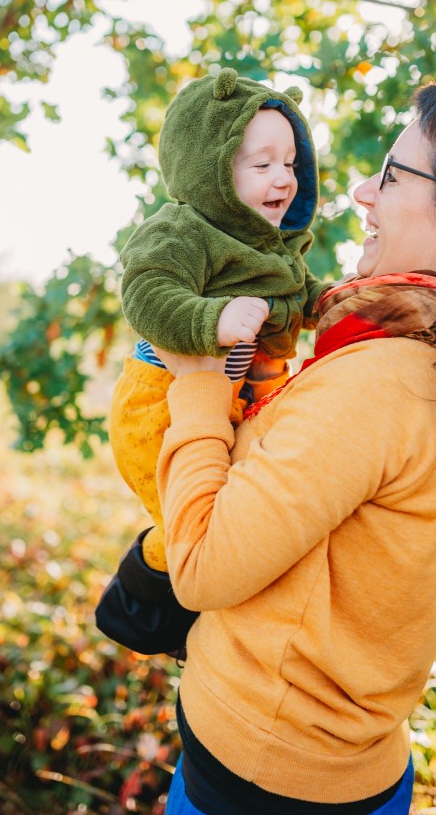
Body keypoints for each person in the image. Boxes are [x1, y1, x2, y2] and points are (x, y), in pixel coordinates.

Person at [146, 79, 436, 815]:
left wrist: (201, 382)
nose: (364, 191)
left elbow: (202, 569)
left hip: (261, 776)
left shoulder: (381, 383)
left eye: (394, 175)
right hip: (356, 765)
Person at [109, 67, 327, 573]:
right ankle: (150, 589)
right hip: (157, 407)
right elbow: (146, 292)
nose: (284, 179)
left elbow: (295, 292)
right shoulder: (182, 231)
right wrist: (213, 318)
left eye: (292, 164)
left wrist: (326, 302)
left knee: (236, 516)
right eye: (262, 164)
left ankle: (214, 603)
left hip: (228, 403)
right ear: (211, 168)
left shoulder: (271, 244)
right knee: (189, 526)